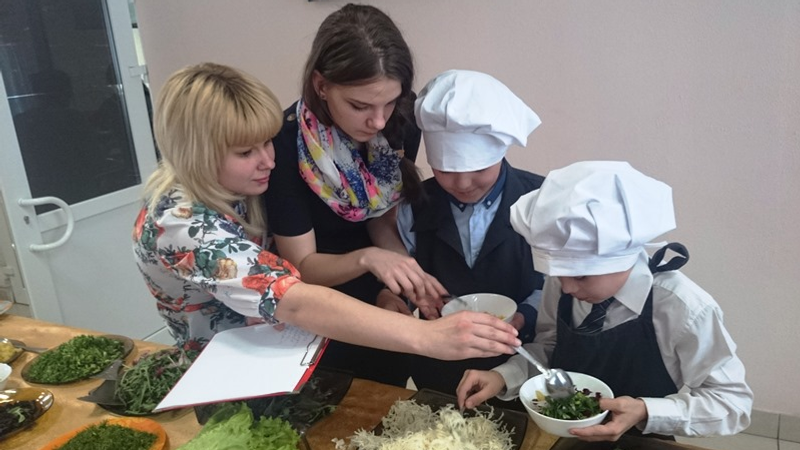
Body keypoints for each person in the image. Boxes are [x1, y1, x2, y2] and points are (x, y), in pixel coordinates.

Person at [132, 62, 522, 364]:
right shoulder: (180, 223)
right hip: (224, 369)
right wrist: (426, 337)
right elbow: (293, 298)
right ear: (195, 154)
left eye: (267, 143)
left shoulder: (242, 185)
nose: (269, 160)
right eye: (246, 152)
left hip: (283, 353)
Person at [456, 161, 753, 439]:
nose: (566, 288)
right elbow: (549, 349)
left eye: (581, 276)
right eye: (556, 274)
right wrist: (504, 376)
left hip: (642, 437)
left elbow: (732, 403)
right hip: (564, 435)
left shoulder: (683, 307)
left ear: (621, 257)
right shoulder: (562, 286)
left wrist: (646, 411)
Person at [263, 4, 445, 386]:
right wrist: (368, 259)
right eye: (359, 106)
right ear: (321, 85)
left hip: (377, 290)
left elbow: (379, 218)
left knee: (387, 395)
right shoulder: (284, 145)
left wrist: (402, 281)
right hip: (316, 305)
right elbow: (302, 267)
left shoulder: (400, 122)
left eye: (390, 102)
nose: (378, 121)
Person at [396, 70, 546, 399]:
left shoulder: (541, 200)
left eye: (478, 169)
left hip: (523, 368)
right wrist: (404, 297)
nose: (463, 184)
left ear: (500, 151)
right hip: (436, 370)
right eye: (446, 170)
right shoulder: (413, 206)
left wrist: (526, 314)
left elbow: (557, 285)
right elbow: (405, 274)